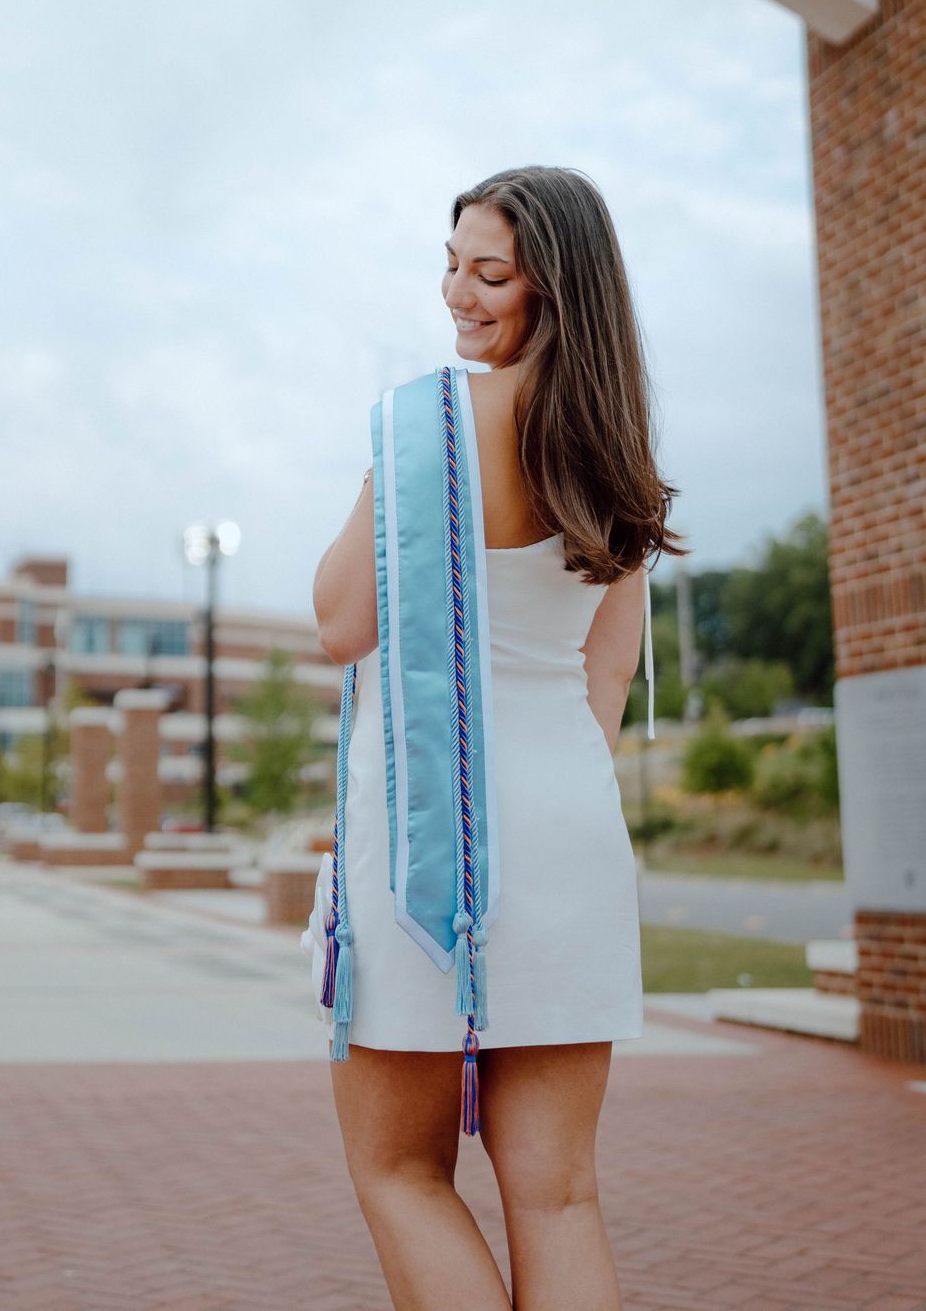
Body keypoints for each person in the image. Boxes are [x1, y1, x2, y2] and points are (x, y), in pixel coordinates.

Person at [310, 164, 686, 1311]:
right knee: (560, 1191)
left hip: (433, 828)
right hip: (567, 825)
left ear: (553, 292)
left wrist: (396, 467)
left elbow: (339, 622)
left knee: (400, 1169)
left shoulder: (433, 423)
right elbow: (603, 677)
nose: (457, 296)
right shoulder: (617, 453)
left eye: (490, 274)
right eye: (452, 263)